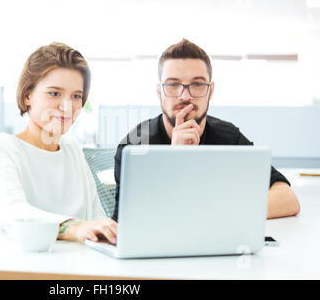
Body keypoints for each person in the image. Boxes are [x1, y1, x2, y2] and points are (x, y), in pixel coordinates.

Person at [112, 38, 300, 222]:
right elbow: (128, 221)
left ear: (210, 91)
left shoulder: (229, 137)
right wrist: (173, 159)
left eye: (197, 84)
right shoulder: (134, 144)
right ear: (158, 92)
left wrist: (218, 214)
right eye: (173, 84)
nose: (185, 95)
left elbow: (287, 198)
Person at [0, 42, 117, 244]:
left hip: (71, 267)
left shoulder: (72, 149)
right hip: (16, 267)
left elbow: (95, 217)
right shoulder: (4, 148)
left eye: (76, 96)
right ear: (28, 96)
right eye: (54, 93)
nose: (67, 106)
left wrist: (109, 233)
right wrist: (75, 228)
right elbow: (14, 214)